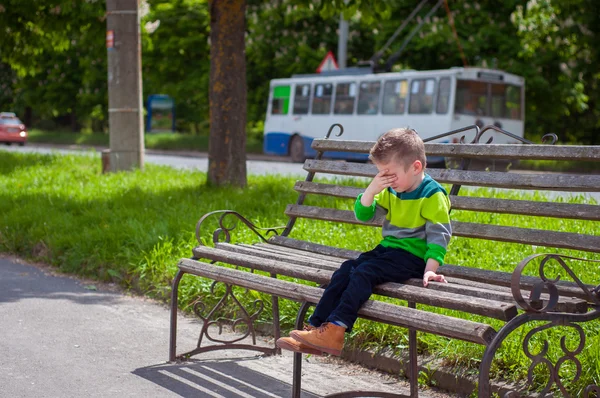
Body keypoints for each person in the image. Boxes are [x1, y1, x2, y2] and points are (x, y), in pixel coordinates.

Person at [276, 128, 452, 356]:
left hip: (414, 258)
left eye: (390, 174)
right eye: (381, 174)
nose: (386, 179)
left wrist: (430, 270)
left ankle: (336, 329)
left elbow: (440, 235)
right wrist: (371, 190)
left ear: (416, 167)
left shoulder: (432, 194)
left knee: (365, 272)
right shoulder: (393, 188)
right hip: (388, 252)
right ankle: (316, 329)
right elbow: (364, 214)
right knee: (346, 269)